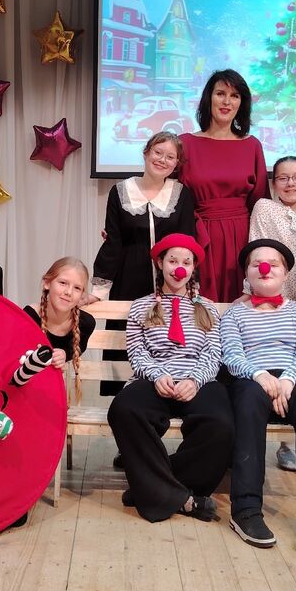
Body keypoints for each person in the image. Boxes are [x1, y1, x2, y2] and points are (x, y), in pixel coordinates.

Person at [107, 233, 235, 523]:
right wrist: (156, 375)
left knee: (222, 424)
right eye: (173, 261)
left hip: (198, 380)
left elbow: (213, 353)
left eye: (186, 262)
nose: (179, 268)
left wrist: (195, 380)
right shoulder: (141, 306)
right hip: (154, 378)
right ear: (160, 264)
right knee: (123, 409)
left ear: (193, 268)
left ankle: (150, 487)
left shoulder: (207, 307)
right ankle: (181, 498)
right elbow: (137, 352)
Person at [221, 239, 296, 553]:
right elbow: (231, 355)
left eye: (274, 264)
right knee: (246, 403)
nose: (265, 268)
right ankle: (245, 511)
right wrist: (260, 376)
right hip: (251, 380)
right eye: (256, 263)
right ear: (247, 274)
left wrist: (287, 380)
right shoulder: (233, 314)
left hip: (293, 380)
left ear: (285, 273)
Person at [90, 132, 196, 397]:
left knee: (166, 341)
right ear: (146, 153)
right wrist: (99, 290)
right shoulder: (120, 191)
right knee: (125, 340)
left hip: (170, 281)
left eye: (170, 157)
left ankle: (167, 397)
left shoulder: (182, 194)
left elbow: (187, 243)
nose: (162, 160)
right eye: (158, 152)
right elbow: (113, 242)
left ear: (176, 164)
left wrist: (190, 286)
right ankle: (124, 403)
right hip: (128, 278)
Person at [246, 155, 296, 472]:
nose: (291, 183)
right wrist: (253, 293)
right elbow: (256, 247)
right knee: (268, 368)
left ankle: (294, 443)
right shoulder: (265, 208)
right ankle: (260, 441)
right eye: (283, 178)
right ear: (274, 183)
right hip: (272, 302)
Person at [179, 69, 269, 302]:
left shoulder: (252, 145)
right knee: (198, 311)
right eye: (220, 93)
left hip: (242, 238)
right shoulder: (185, 143)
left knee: (242, 310)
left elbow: (261, 202)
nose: (227, 101)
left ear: (242, 103)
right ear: (208, 98)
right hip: (198, 237)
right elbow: (169, 199)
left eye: (234, 96)